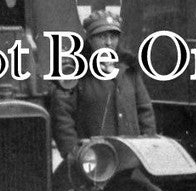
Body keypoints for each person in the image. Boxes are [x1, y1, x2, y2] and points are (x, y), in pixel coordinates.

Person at [51, 9, 156, 157]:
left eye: (113, 37)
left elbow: (145, 112)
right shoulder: (73, 73)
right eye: (102, 36)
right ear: (90, 39)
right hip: (93, 160)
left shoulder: (129, 71)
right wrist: (73, 153)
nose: (108, 42)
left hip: (131, 158)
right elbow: (62, 118)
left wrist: (148, 147)